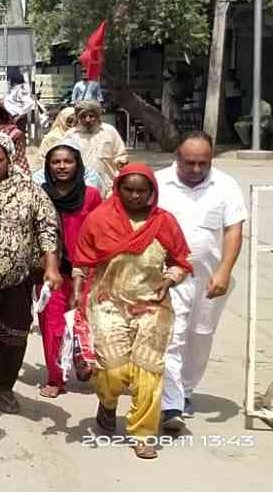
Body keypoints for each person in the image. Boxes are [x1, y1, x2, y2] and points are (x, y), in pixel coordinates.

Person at [74, 165, 193, 459]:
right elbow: (82, 260)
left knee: (148, 369)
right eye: (129, 190)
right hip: (108, 303)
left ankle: (143, 433)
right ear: (119, 189)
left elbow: (182, 261)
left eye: (142, 190)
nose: (136, 195)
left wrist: (170, 279)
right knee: (113, 370)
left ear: (152, 191)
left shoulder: (164, 222)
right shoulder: (99, 220)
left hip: (153, 304)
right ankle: (108, 401)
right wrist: (77, 290)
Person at [0, 132, 61, 433]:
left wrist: (52, 266)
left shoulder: (28, 190)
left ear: (8, 161)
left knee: (14, 338)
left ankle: (4, 385)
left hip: (17, 280)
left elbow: (47, 226)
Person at [155, 131, 246, 432]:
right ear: (176, 157)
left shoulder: (225, 186)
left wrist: (224, 270)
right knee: (173, 336)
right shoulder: (157, 183)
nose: (196, 170)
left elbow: (234, 229)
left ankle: (187, 390)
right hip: (168, 276)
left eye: (202, 164)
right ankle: (172, 404)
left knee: (200, 335)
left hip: (209, 278)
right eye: (189, 163)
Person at [35, 140, 104, 399]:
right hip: (50, 271)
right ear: (48, 166)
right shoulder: (39, 193)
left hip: (85, 270)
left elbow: (102, 231)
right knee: (53, 326)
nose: (62, 166)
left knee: (82, 322)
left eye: (68, 161)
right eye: (56, 162)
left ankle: (81, 358)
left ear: (78, 165)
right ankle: (56, 378)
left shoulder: (92, 196)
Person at [68, 100, 127, 194]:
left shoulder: (109, 131)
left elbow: (120, 155)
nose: (87, 120)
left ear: (97, 116)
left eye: (91, 116)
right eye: (83, 116)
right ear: (78, 117)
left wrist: (121, 162)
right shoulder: (71, 135)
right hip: (80, 188)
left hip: (108, 188)